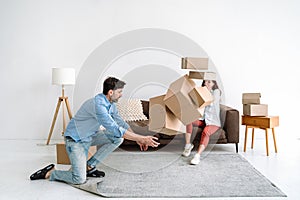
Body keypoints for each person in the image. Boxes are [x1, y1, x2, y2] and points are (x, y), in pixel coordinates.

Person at [30, 77, 160, 184]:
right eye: (119, 92)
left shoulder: (111, 105)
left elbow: (120, 122)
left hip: (91, 136)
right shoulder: (98, 106)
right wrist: (142, 139)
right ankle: (51, 172)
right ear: (110, 92)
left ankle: (90, 166)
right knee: (79, 179)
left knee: (118, 138)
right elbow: (114, 128)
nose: (121, 95)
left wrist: (137, 138)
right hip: (76, 141)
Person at [182, 79, 221, 165]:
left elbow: (209, 102)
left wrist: (199, 96)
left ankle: (197, 156)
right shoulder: (202, 92)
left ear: (214, 84)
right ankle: (188, 146)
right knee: (188, 119)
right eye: (205, 81)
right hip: (203, 120)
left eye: (209, 82)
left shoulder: (216, 92)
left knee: (206, 132)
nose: (206, 83)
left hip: (213, 122)